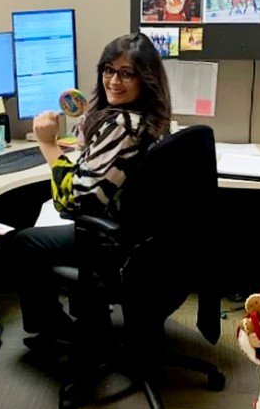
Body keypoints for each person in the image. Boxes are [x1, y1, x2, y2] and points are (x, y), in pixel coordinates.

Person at [12, 32, 172, 351]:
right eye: (108, 70)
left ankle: (55, 327)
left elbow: (72, 202)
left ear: (145, 78)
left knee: (23, 242)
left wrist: (47, 144)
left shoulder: (123, 128)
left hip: (114, 243)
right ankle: (93, 322)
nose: (114, 81)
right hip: (144, 238)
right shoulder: (148, 119)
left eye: (127, 73)